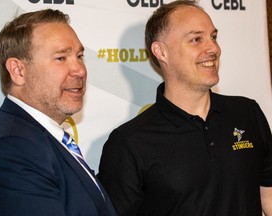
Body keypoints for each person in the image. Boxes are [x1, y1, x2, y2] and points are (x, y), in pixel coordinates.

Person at [97, 1, 272, 215]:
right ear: (161, 52)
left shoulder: (247, 113)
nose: (213, 49)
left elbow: (269, 195)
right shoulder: (128, 143)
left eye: (213, 37)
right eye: (196, 39)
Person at [0, 9, 116, 216]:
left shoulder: (33, 136)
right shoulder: (13, 148)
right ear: (18, 71)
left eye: (80, 56)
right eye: (61, 58)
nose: (80, 70)